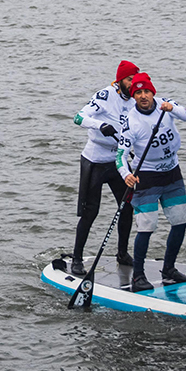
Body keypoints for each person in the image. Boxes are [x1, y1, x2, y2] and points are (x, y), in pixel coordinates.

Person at [116, 71, 186, 291]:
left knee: (180, 222)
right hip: (147, 177)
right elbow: (120, 156)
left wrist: (173, 109)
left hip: (171, 173)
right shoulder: (130, 122)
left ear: (153, 92)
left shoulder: (166, 105)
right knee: (147, 227)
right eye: (138, 92)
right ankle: (138, 276)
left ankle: (169, 269)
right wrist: (127, 175)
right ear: (133, 96)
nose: (143, 96)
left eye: (147, 92)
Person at [69, 61, 140, 276]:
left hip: (119, 160)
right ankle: (77, 258)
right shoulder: (105, 95)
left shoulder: (138, 99)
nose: (133, 83)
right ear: (120, 80)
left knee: (127, 206)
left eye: (135, 80)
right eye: (129, 80)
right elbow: (79, 117)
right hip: (95, 161)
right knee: (91, 211)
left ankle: (122, 253)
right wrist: (101, 125)